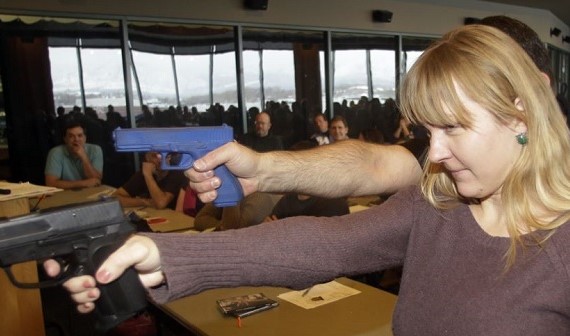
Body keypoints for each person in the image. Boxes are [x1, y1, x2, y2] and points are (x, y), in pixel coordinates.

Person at [48, 24, 570, 336]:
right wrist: (164, 253)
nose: (433, 153)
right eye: (428, 132)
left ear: (520, 114)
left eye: (453, 128)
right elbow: (323, 243)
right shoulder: (438, 204)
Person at [186, 16, 561, 206]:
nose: (438, 152)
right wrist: (261, 171)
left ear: (530, 97)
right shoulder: (447, 181)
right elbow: (372, 164)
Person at [113, 151, 187, 210]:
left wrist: (148, 175)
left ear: (169, 157)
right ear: (148, 158)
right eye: (155, 156)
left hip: (174, 219)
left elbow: (161, 203)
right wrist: (144, 202)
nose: (160, 160)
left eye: (164, 155)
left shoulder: (176, 173)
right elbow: (114, 198)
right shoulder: (143, 174)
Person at [44, 120, 103, 189]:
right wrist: (84, 183)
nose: (76, 139)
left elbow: (97, 180)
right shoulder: (55, 152)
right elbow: (50, 183)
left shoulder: (95, 150)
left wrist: (84, 157)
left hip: (90, 192)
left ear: (85, 138)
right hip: (66, 193)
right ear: (65, 139)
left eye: (80, 135)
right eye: (71, 136)